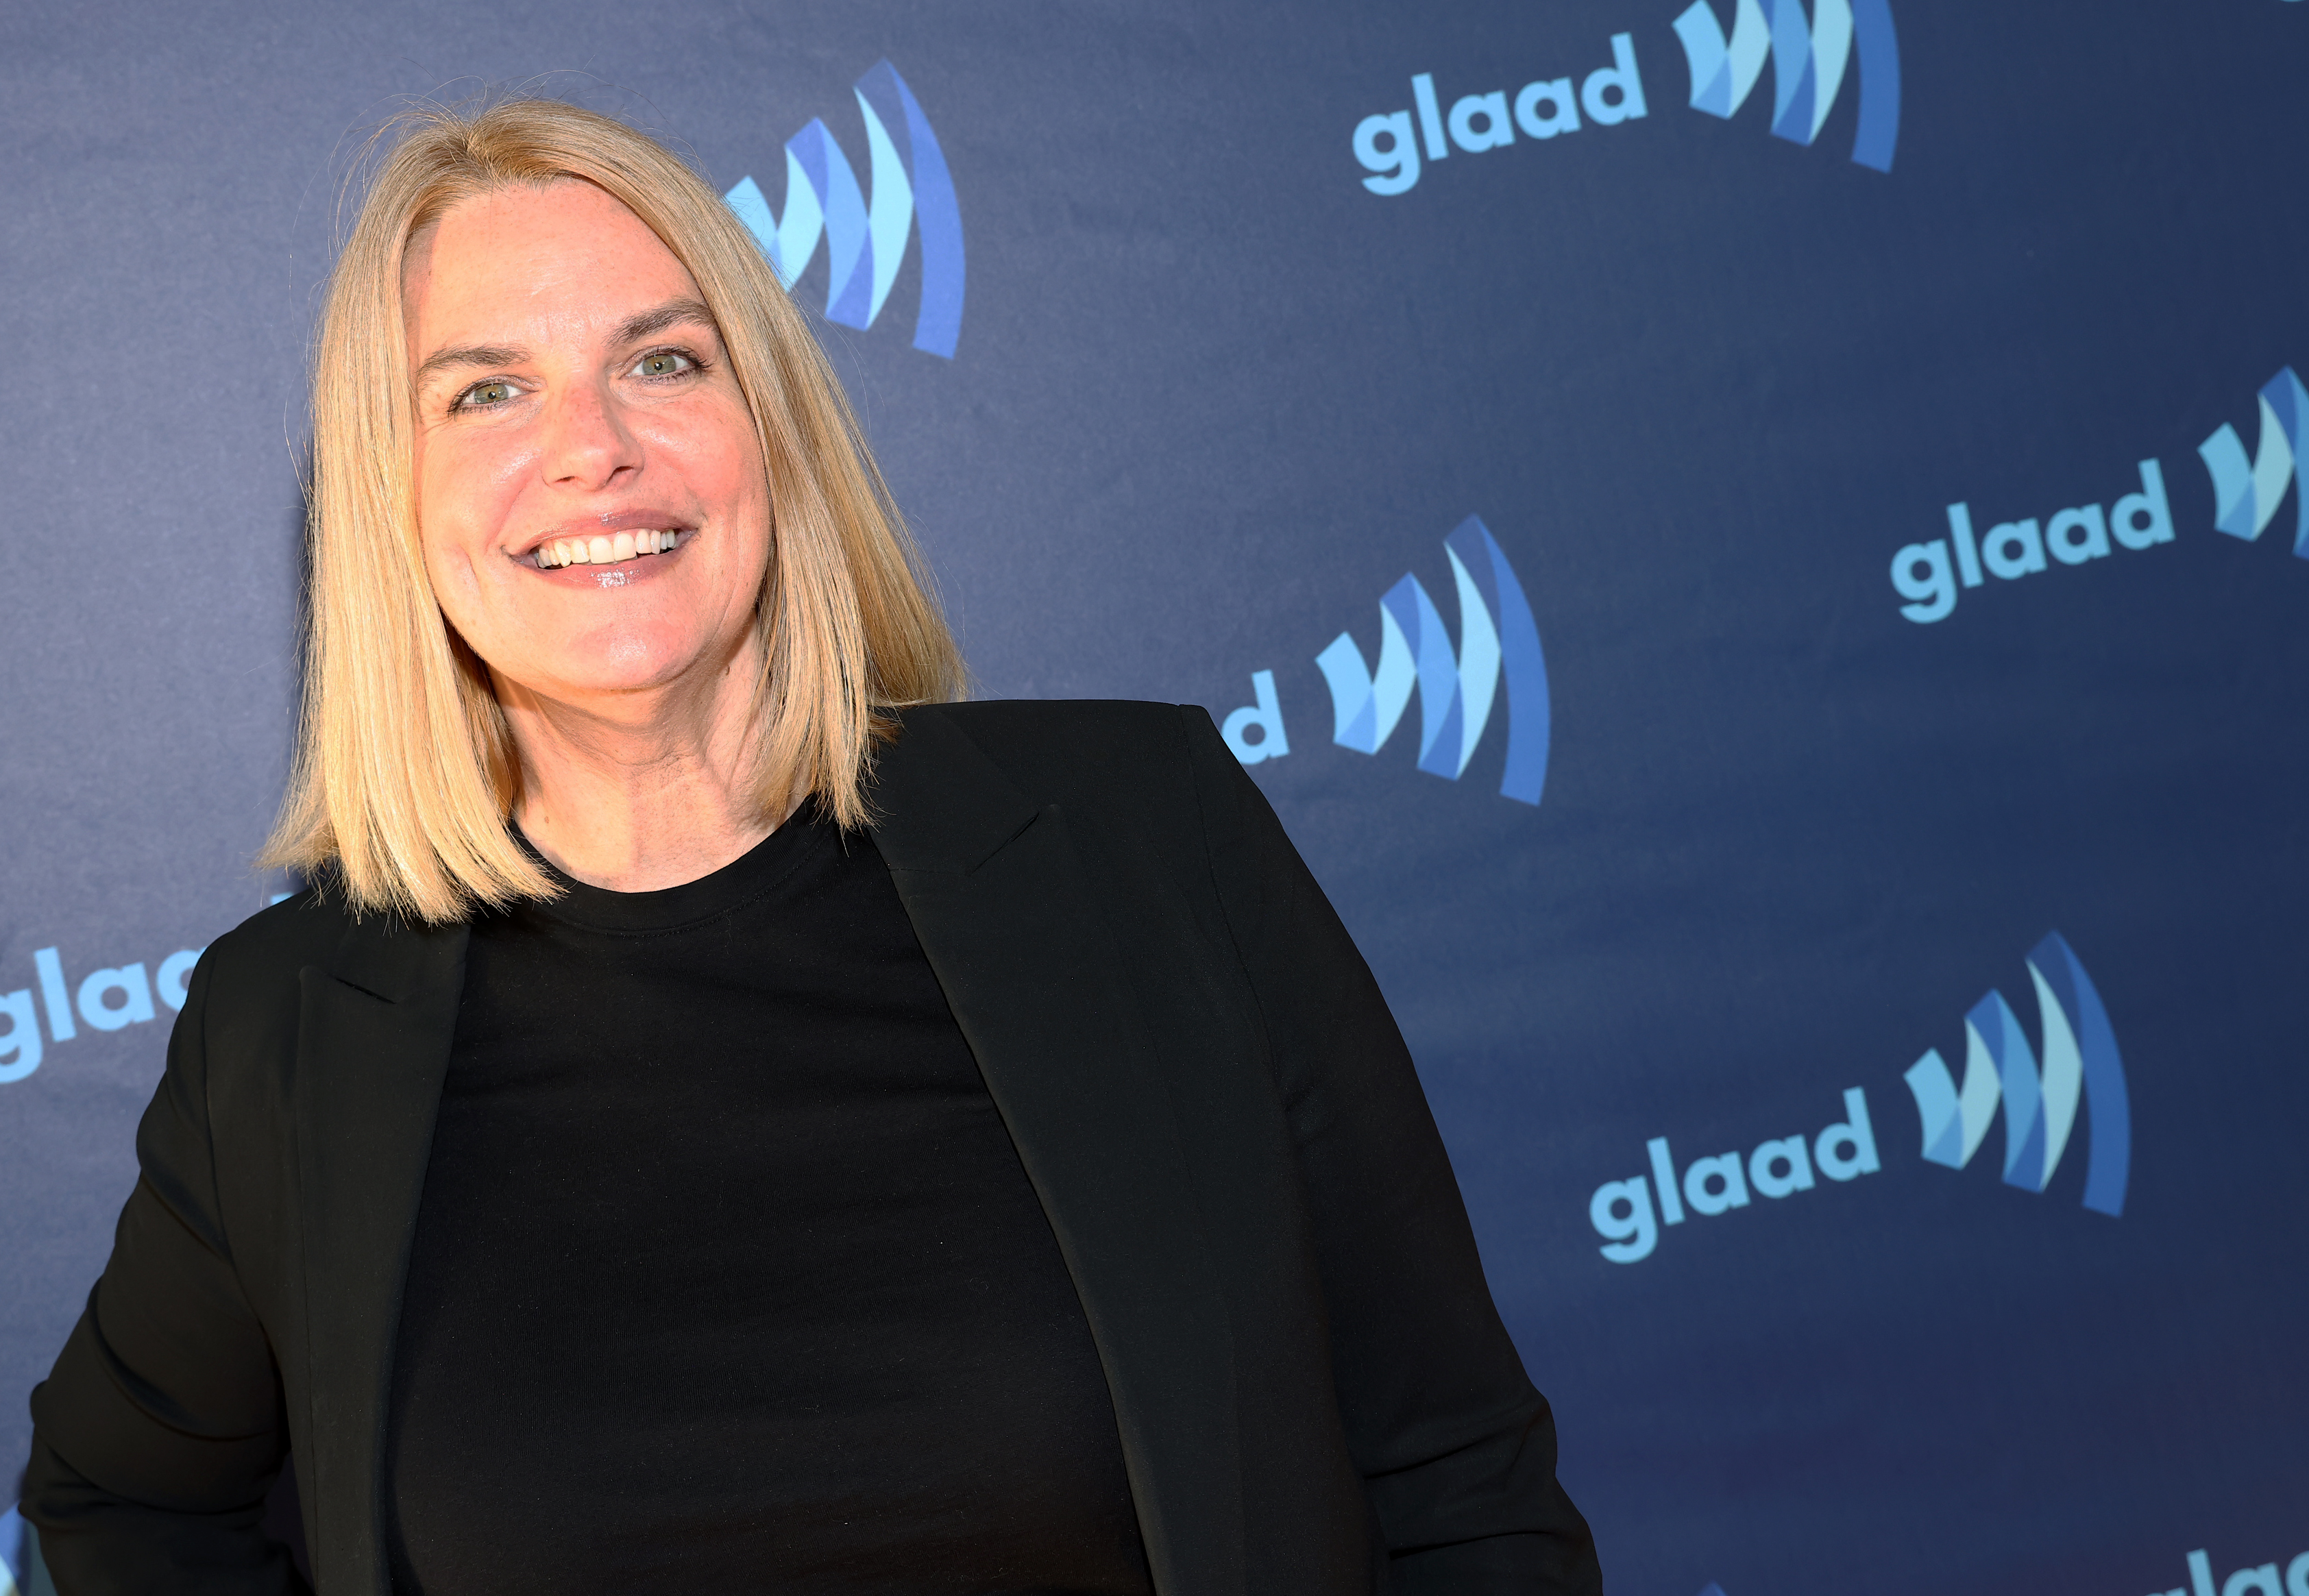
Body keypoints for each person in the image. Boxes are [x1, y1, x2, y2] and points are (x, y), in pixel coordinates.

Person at [20, 99, 1600, 1595]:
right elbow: (122, 1498)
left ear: (769, 429)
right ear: (392, 496)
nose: (593, 449)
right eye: (485, 389)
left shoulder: (1142, 833)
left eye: (664, 361)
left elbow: (1452, 1472)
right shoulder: (285, 1029)